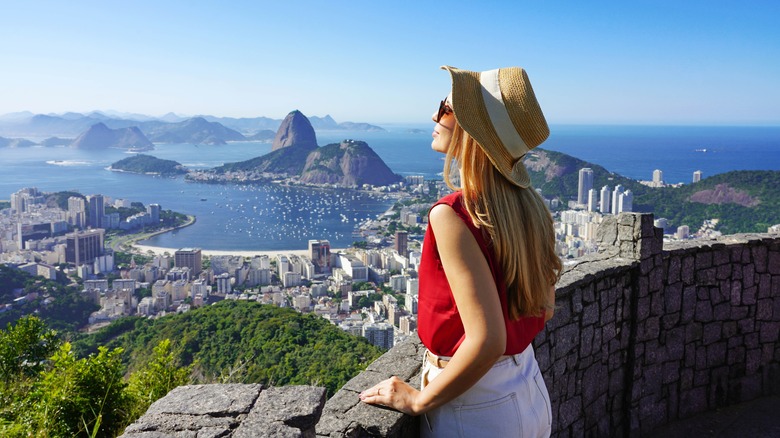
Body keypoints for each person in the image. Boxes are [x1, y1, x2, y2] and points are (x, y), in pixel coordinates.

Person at [359, 65, 562, 437]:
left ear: (473, 130)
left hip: (475, 406)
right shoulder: (532, 208)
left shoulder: (452, 215)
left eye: (446, 109)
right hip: (528, 388)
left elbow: (487, 341)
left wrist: (420, 400)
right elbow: (545, 307)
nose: (434, 117)